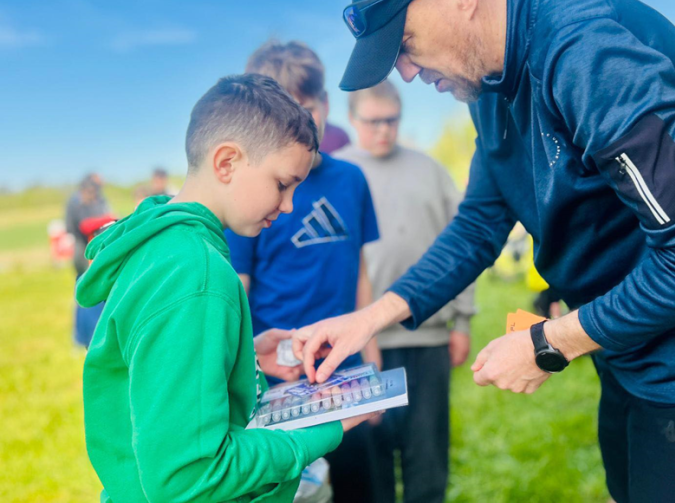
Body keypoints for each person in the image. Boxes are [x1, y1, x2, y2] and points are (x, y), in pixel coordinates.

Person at [294, 0, 675, 503]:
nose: (404, 72)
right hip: (629, 351)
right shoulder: (487, 86)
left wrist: (552, 343)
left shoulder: (585, 51)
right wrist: (371, 317)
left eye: (405, 43)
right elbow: (478, 225)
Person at [75, 74, 376, 503]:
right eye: (282, 184)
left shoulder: (163, 246)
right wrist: (315, 434)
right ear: (227, 162)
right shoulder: (196, 273)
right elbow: (190, 474)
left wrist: (243, 355)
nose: (289, 205)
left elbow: (155, 373)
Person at [226, 40, 381, 503]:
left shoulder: (351, 180)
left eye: (307, 109)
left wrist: (372, 361)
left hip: (347, 374)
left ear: (326, 105)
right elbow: (237, 289)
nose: (297, 124)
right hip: (278, 387)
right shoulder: (251, 197)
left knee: (363, 488)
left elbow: (361, 276)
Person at [335, 80, 475, 503]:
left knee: (426, 451)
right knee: (371, 456)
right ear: (353, 119)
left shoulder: (428, 169)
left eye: (391, 120)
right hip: (361, 342)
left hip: (427, 337)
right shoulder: (339, 173)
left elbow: (465, 242)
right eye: (373, 121)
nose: (383, 130)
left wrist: (463, 320)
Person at [246, 42, 350, 154]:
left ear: (325, 104)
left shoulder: (340, 143)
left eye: (306, 112)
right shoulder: (240, 168)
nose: (294, 129)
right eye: (278, 115)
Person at [65, 173, 112, 346]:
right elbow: (76, 226)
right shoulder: (75, 203)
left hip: (95, 253)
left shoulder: (98, 200)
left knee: (93, 296)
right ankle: (86, 337)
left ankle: (90, 336)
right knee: (86, 296)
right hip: (82, 255)